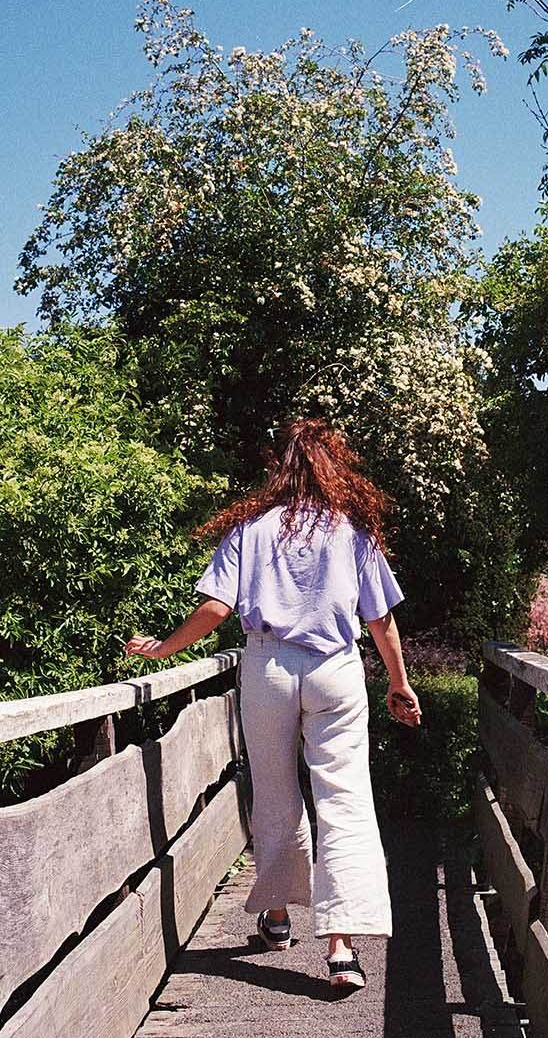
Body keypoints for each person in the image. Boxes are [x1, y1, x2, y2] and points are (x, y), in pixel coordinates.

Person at [124, 417, 421, 991]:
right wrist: (398, 683)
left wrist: (164, 648)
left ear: (278, 469)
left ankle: (280, 917)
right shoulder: (352, 534)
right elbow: (380, 619)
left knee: (277, 791)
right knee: (346, 798)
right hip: (336, 669)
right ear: (332, 469)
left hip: (268, 668)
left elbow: (215, 609)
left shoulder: (252, 530)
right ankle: (341, 948)